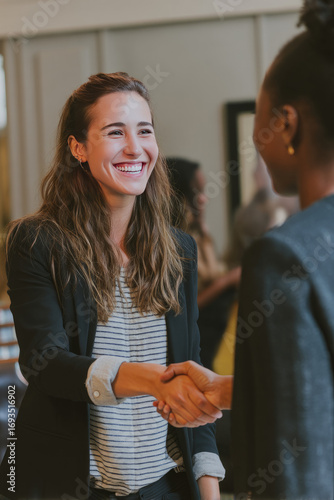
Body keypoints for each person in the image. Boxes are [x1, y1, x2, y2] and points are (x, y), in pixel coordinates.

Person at [0, 73, 225, 500]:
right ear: (78, 148)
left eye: (145, 131)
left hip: (168, 483)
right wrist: (153, 381)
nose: (135, 147)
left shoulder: (180, 250)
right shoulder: (37, 242)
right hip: (76, 484)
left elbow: (190, 369)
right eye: (114, 132)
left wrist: (209, 489)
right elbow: (45, 364)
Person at [156, 0, 334, 498]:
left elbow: (294, 467)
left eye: (261, 123)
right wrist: (226, 388)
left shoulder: (285, 255)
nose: (256, 141)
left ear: (288, 125)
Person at [166, 157, 241, 369]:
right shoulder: (172, 243)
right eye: (195, 192)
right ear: (177, 196)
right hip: (199, 341)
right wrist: (227, 282)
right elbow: (179, 310)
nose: (204, 200)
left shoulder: (201, 234)